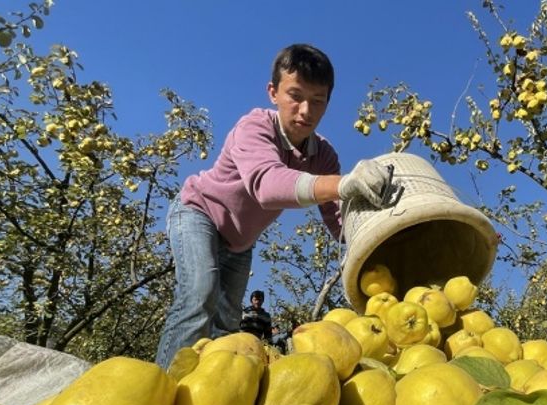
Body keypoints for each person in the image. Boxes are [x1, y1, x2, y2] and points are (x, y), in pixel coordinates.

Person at [155, 43, 390, 369]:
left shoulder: (323, 156)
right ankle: (165, 383)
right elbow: (266, 184)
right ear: (273, 93)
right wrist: (342, 183)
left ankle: (209, 393)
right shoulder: (254, 128)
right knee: (199, 296)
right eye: (295, 96)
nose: (306, 111)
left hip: (240, 241)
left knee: (227, 323)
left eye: (317, 101)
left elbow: (339, 224)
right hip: (199, 213)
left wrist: (386, 239)